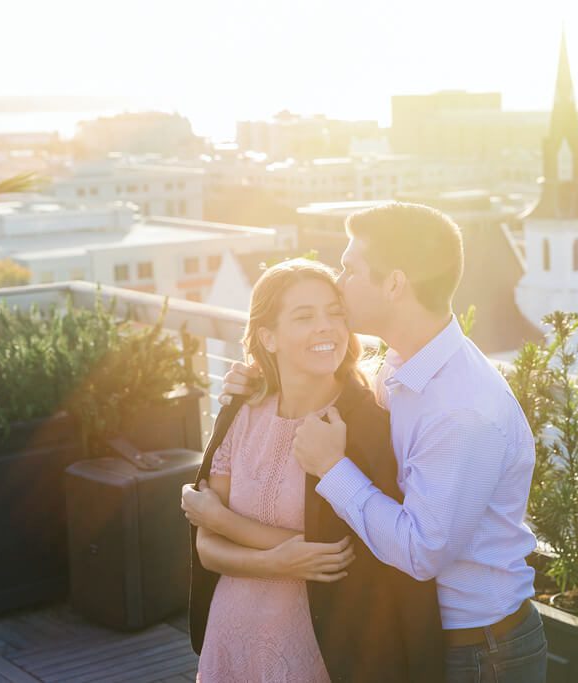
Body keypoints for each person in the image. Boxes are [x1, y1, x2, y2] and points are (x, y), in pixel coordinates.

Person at [220, 203, 547, 683]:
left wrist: (332, 469)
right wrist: (265, 378)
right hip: (424, 634)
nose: (339, 280)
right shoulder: (402, 365)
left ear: (394, 284)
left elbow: (420, 551)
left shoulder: (461, 408)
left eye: (350, 269)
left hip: (480, 652)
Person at [184, 258, 442, 682]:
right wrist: (279, 560)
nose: (326, 327)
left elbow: (343, 553)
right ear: (268, 337)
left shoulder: (362, 424)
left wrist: (220, 519)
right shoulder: (240, 411)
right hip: (231, 633)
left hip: (317, 646)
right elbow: (206, 550)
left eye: (335, 313)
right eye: (304, 316)